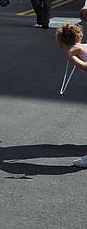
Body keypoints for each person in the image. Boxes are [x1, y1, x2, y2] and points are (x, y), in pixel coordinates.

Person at [56, 22, 87, 167]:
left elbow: (83, 66)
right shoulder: (83, 46)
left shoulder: (70, 52)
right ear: (78, 37)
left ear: (61, 43)